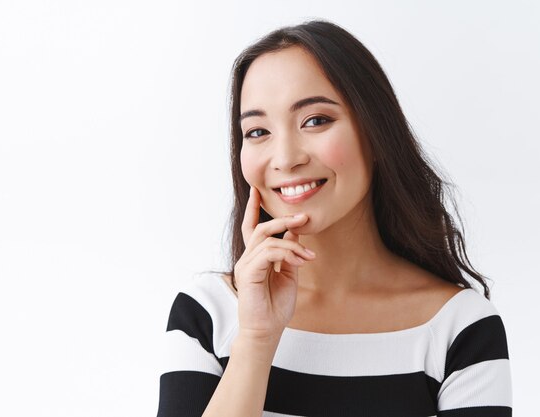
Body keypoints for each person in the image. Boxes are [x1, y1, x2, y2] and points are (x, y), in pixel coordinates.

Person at [156, 19, 512, 417]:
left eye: (315, 121)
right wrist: (257, 339)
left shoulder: (459, 328)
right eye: (257, 131)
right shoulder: (207, 313)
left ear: (375, 132)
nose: (287, 157)